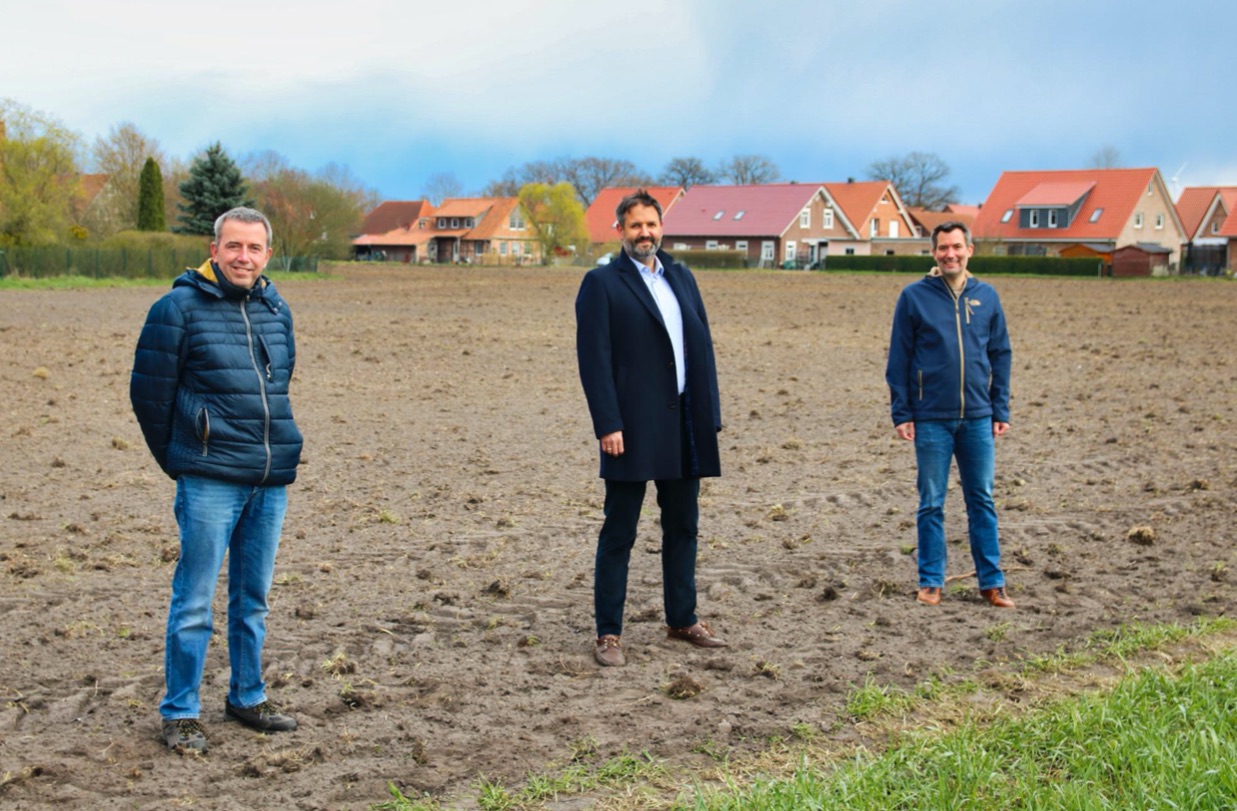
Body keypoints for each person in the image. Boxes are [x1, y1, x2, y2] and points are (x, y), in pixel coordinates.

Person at [131, 207, 303, 752]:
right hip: (209, 479)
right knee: (195, 602)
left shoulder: (277, 309)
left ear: (267, 255)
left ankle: (247, 696)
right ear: (214, 249)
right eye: (233, 247)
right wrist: (184, 458)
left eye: (253, 248)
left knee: (253, 599)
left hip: (268, 479)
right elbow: (149, 395)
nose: (243, 257)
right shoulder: (177, 308)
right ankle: (181, 711)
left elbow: (281, 384)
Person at [575, 190, 728, 667]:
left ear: (662, 228)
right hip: (631, 428)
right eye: (636, 225)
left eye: (652, 225)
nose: (646, 233)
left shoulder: (681, 277)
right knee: (620, 531)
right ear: (619, 230)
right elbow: (593, 361)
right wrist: (608, 423)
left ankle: (682, 619)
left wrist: (709, 414)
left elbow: (702, 348)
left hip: (684, 424)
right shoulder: (601, 283)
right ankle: (608, 634)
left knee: (684, 526)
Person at [885, 221, 1015, 609]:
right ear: (934, 253)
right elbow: (899, 359)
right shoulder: (914, 297)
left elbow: (1000, 355)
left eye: (957, 247)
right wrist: (902, 412)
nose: (950, 254)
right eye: (943, 248)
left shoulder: (987, 297)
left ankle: (991, 583)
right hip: (931, 419)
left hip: (977, 416)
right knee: (931, 502)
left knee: (982, 501)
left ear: (970, 250)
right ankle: (931, 581)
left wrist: (1000, 407)